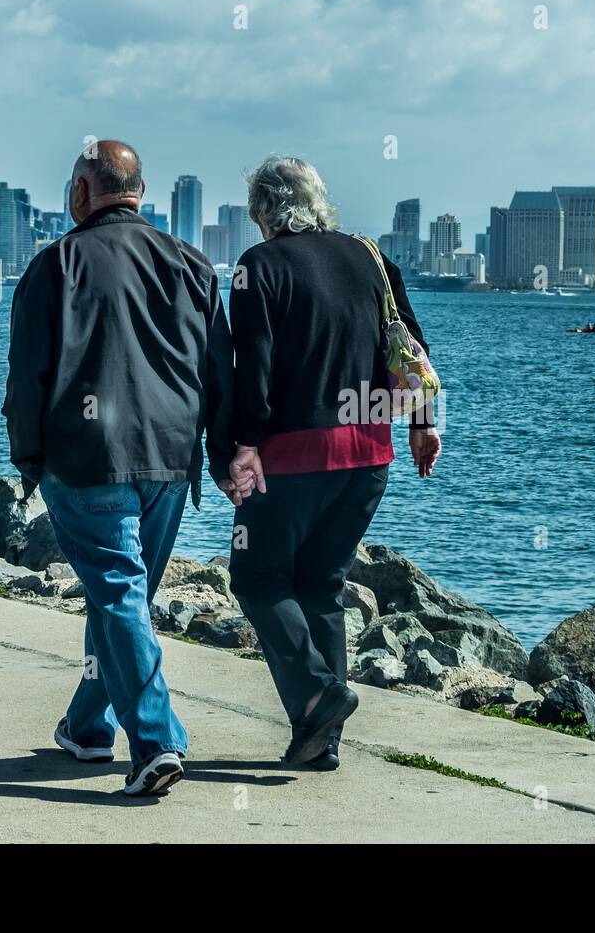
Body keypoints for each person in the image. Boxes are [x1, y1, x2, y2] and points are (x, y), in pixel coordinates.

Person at [2, 140, 233, 797]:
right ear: (143, 189)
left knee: (120, 593)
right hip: (170, 459)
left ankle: (157, 742)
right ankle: (87, 725)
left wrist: (29, 460)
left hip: (87, 459)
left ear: (80, 192)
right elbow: (219, 372)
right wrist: (221, 453)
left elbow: (27, 378)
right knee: (123, 595)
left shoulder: (56, 265)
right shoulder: (193, 265)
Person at [220, 155, 441, 769]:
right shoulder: (368, 256)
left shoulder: (259, 267)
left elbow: (254, 369)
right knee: (320, 584)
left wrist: (243, 446)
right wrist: (422, 422)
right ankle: (322, 742)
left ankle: (318, 695)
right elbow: (411, 342)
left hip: (293, 455)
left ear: (264, 211)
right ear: (319, 202)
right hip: (370, 454)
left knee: (257, 577)